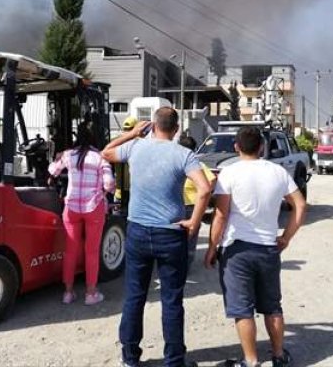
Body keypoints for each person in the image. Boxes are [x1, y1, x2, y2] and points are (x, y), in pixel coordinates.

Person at [102, 107, 210, 367]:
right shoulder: (184, 154)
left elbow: (105, 152)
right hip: (171, 233)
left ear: (153, 125)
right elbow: (205, 188)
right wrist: (194, 222)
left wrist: (132, 134)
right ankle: (174, 361)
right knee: (172, 299)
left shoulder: (136, 147)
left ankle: (130, 358)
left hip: (137, 231)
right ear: (175, 130)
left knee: (134, 296)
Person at [205, 126, 307, 367]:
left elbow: (221, 215)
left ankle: (251, 362)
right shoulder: (278, 172)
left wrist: (211, 248)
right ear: (261, 146)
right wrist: (286, 237)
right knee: (272, 306)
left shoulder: (229, 173)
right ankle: (278, 355)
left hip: (236, 250)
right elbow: (300, 206)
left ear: (236, 147)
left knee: (242, 309)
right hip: (268, 248)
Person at [48, 123, 115, 305]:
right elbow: (109, 184)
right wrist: (105, 191)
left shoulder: (68, 155)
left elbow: (52, 171)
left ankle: (68, 293)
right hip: (94, 207)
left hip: (71, 209)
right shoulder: (101, 158)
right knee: (91, 251)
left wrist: (58, 157)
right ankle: (90, 293)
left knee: (70, 251)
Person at [178, 135, 217, 264]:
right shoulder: (191, 164)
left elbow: (211, 180)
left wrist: (203, 193)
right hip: (185, 206)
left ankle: (184, 263)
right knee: (186, 236)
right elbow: (212, 180)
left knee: (185, 236)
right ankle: (183, 262)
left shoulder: (193, 164)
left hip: (185, 206)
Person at [114, 117, 137, 204]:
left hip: (119, 190)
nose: (126, 131)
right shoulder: (140, 144)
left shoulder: (115, 142)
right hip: (133, 190)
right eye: (126, 129)